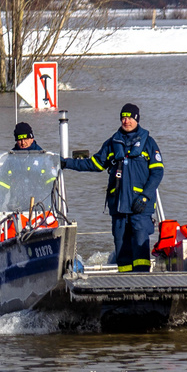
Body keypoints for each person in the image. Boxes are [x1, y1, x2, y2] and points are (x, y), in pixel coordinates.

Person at [62, 102, 163, 273]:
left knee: (140, 249)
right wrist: (67, 163)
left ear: (137, 119)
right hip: (118, 207)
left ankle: (142, 283)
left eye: (130, 117)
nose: (126, 121)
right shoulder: (112, 142)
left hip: (140, 206)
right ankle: (124, 285)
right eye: (123, 117)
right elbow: (94, 163)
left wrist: (145, 196)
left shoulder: (149, 143)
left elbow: (157, 173)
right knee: (121, 248)